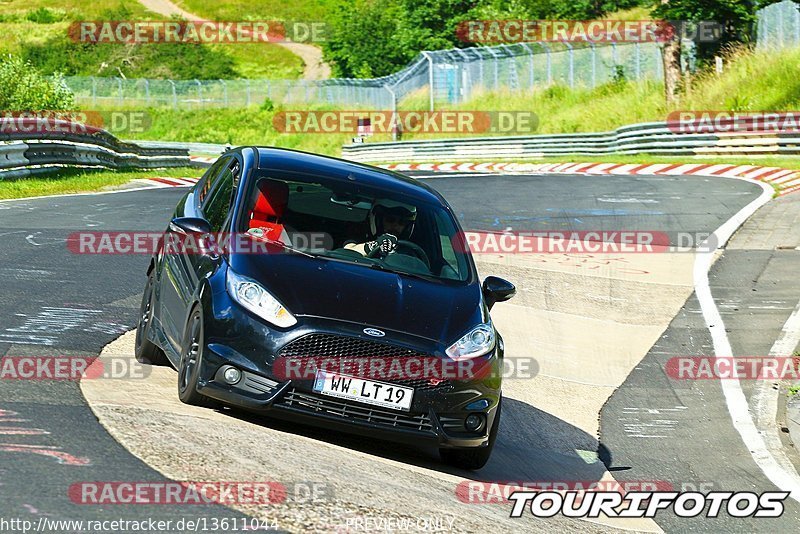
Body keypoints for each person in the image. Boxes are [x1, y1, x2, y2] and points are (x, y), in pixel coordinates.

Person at [345, 199, 416, 257]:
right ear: (378, 221)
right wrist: (375, 245)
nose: (395, 226)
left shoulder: (409, 250)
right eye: (390, 220)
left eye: (401, 222)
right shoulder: (359, 232)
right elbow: (347, 251)